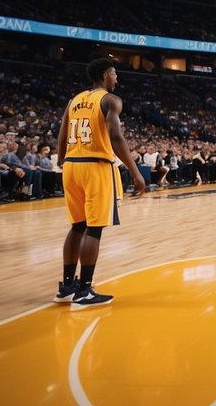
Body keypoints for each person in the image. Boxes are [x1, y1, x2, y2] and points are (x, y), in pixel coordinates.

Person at [55, 58, 146, 309]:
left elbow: (62, 135)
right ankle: (84, 291)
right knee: (93, 229)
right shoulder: (110, 100)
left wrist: (64, 160)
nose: (117, 78)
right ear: (105, 75)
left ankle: (66, 286)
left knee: (77, 226)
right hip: (95, 166)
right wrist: (135, 172)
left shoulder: (74, 101)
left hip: (71, 166)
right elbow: (115, 136)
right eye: (115, 74)